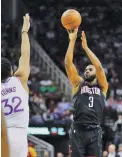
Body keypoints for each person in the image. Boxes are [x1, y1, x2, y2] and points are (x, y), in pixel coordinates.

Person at [64, 28, 108, 157]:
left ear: (96, 73)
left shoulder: (103, 87)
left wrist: (86, 48)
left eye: (90, 69)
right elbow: (68, 64)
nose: (87, 71)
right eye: (86, 69)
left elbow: (99, 67)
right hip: (78, 130)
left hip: (95, 131)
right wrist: (72, 41)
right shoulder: (78, 83)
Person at [1, 14, 30, 157]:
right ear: (12, 71)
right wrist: (24, 31)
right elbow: (25, 54)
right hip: (19, 136)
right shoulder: (20, 79)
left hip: (3, 135)